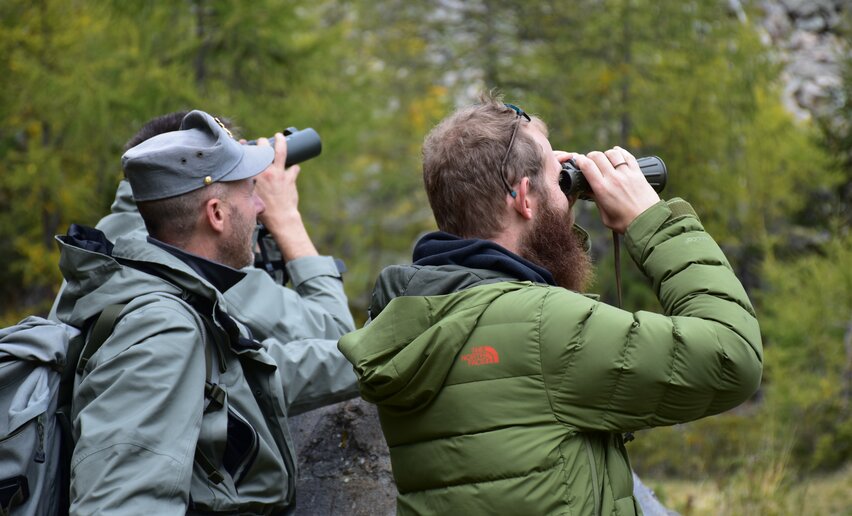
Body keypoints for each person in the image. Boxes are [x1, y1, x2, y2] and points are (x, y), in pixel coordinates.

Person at [338, 96, 763, 515]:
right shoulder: (542, 328)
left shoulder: (408, 318)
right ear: (525, 197)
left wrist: (549, 205)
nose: (567, 185)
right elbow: (731, 355)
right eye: (555, 176)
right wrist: (650, 221)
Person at [53, 110, 356, 513]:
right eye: (251, 190)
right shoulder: (160, 323)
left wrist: (395, 346)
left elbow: (244, 373)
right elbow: (122, 502)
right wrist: (286, 218)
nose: (260, 205)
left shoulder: (147, 270)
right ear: (215, 213)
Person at [51, 111, 354, 343]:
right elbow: (338, 337)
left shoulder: (110, 237)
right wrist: (286, 218)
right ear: (213, 208)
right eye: (238, 174)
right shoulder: (193, 259)